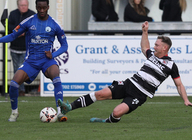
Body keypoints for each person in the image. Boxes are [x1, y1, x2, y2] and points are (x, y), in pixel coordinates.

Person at [57, 21, 192, 123]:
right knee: (100, 93)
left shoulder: (171, 65)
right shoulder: (152, 55)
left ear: (165, 48)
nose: (154, 46)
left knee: (117, 112)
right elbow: (145, 46)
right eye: (155, 44)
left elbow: (179, 85)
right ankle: (69, 107)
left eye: (157, 45)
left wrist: (185, 99)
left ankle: (106, 122)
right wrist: (145, 32)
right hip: (129, 83)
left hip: (140, 94)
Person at [0, 0, 68, 122]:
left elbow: (65, 45)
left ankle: (60, 112)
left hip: (47, 61)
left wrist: (53, 55)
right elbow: (13, 35)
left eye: (44, 7)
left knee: (56, 75)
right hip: (31, 61)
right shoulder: (29, 21)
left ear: (48, 7)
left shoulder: (55, 24)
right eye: (39, 7)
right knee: (14, 83)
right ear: (36, 7)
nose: (42, 10)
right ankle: (14, 112)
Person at [8, 0, 35, 96]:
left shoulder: (32, 14)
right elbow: (8, 27)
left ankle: (20, 89)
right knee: (16, 68)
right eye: (22, 5)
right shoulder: (12, 14)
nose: (24, 7)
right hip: (14, 47)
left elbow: (35, 27)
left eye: (25, 5)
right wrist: (17, 31)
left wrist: (25, 32)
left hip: (27, 48)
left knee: (22, 69)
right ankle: (18, 89)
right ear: (18, 6)